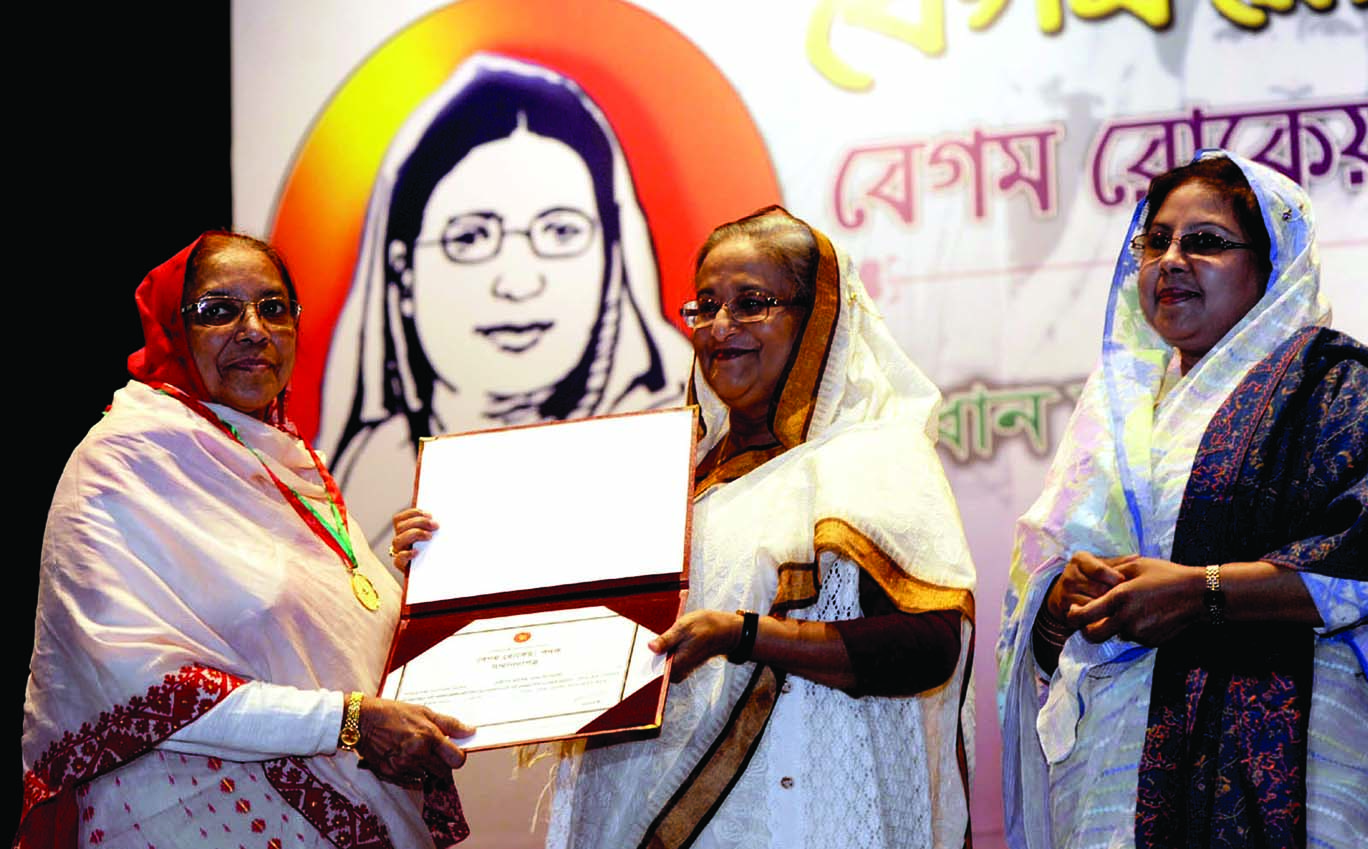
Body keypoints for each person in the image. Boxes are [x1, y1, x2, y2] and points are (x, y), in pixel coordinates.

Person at [407, 205, 974, 848]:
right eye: (705, 306)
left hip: (803, 818)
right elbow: (560, 618)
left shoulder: (872, 456)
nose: (721, 327)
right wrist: (443, 556)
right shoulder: (666, 482)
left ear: (817, 319)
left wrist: (745, 635)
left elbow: (928, 645)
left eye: (752, 303)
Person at [19, 233, 477, 849]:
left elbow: (321, 645)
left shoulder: (285, 461)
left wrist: (420, 581)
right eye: (218, 310)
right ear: (172, 331)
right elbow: (138, 685)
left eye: (274, 308)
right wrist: (347, 722)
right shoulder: (121, 463)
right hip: (189, 816)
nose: (254, 330)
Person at [998, 151, 1366, 849]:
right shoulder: (1114, 409)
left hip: (1281, 761)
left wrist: (1201, 594)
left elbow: (1359, 558)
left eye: (1204, 241)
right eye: (1156, 240)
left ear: (1273, 263)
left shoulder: (1331, 386)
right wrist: (1061, 598)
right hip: (1112, 774)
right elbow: (1041, 614)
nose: (1170, 260)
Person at [317, 54, 691, 551]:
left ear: (613, 257)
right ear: (403, 274)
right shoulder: (370, 481)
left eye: (561, 231)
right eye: (470, 237)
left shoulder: (672, 447)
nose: (517, 283)